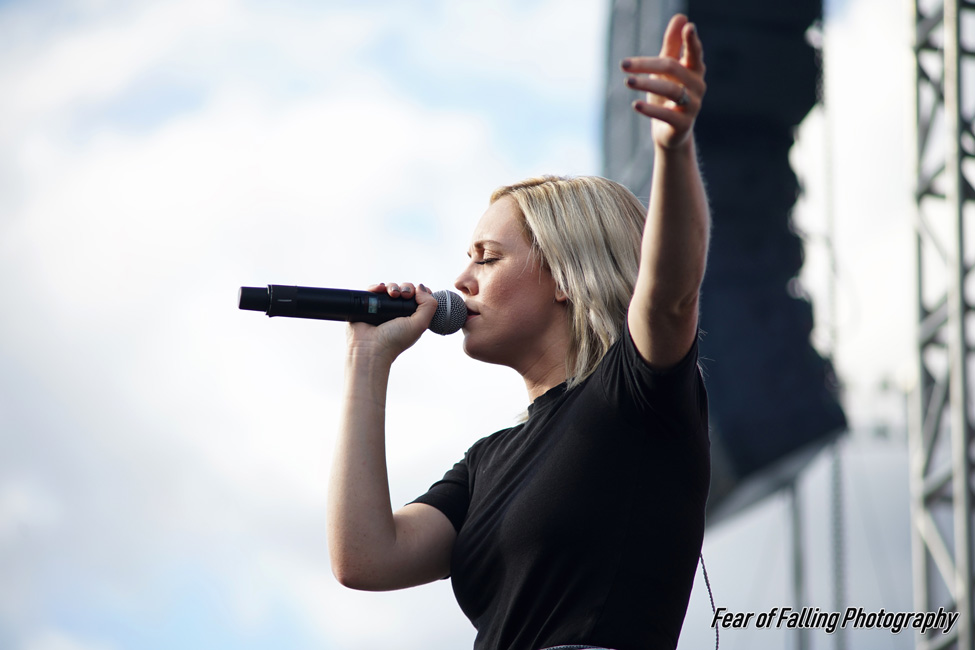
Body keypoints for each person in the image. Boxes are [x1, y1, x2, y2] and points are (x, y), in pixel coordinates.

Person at [326, 13, 710, 650]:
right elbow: (366, 558)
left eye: (487, 256)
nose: (461, 279)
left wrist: (673, 149)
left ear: (566, 274)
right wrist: (366, 364)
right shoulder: (485, 463)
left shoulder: (632, 397)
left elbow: (670, 294)